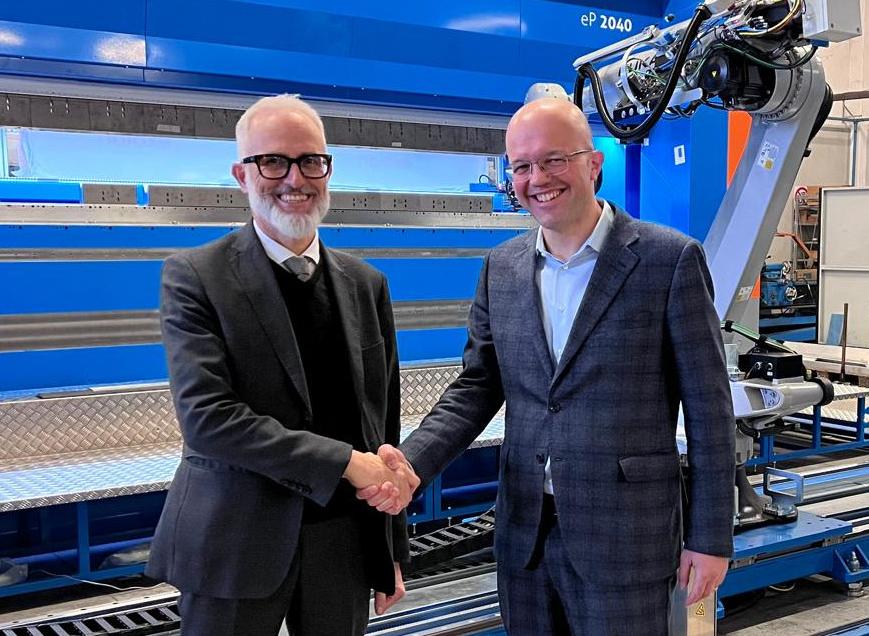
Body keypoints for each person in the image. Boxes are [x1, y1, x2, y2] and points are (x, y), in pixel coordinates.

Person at [358, 96, 736, 636]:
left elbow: (709, 410)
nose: (538, 179)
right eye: (522, 166)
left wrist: (710, 537)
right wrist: (411, 463)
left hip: (626, 537)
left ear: (594, 164)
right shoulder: (502, 267)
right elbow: (477, 387)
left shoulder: (668, 260)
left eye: (555, 159)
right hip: (525, 535)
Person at [147, 94, 418, 636]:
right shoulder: (196, 276)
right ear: (241, 175)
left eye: (310, 161)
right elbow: (208, 421)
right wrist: (346, 462)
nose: (295, 179)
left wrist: (387, 547)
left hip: (341, 542)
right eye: (273, 161)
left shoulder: (366, 284)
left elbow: (382, 426)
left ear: (327, 170)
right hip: (235, 539)